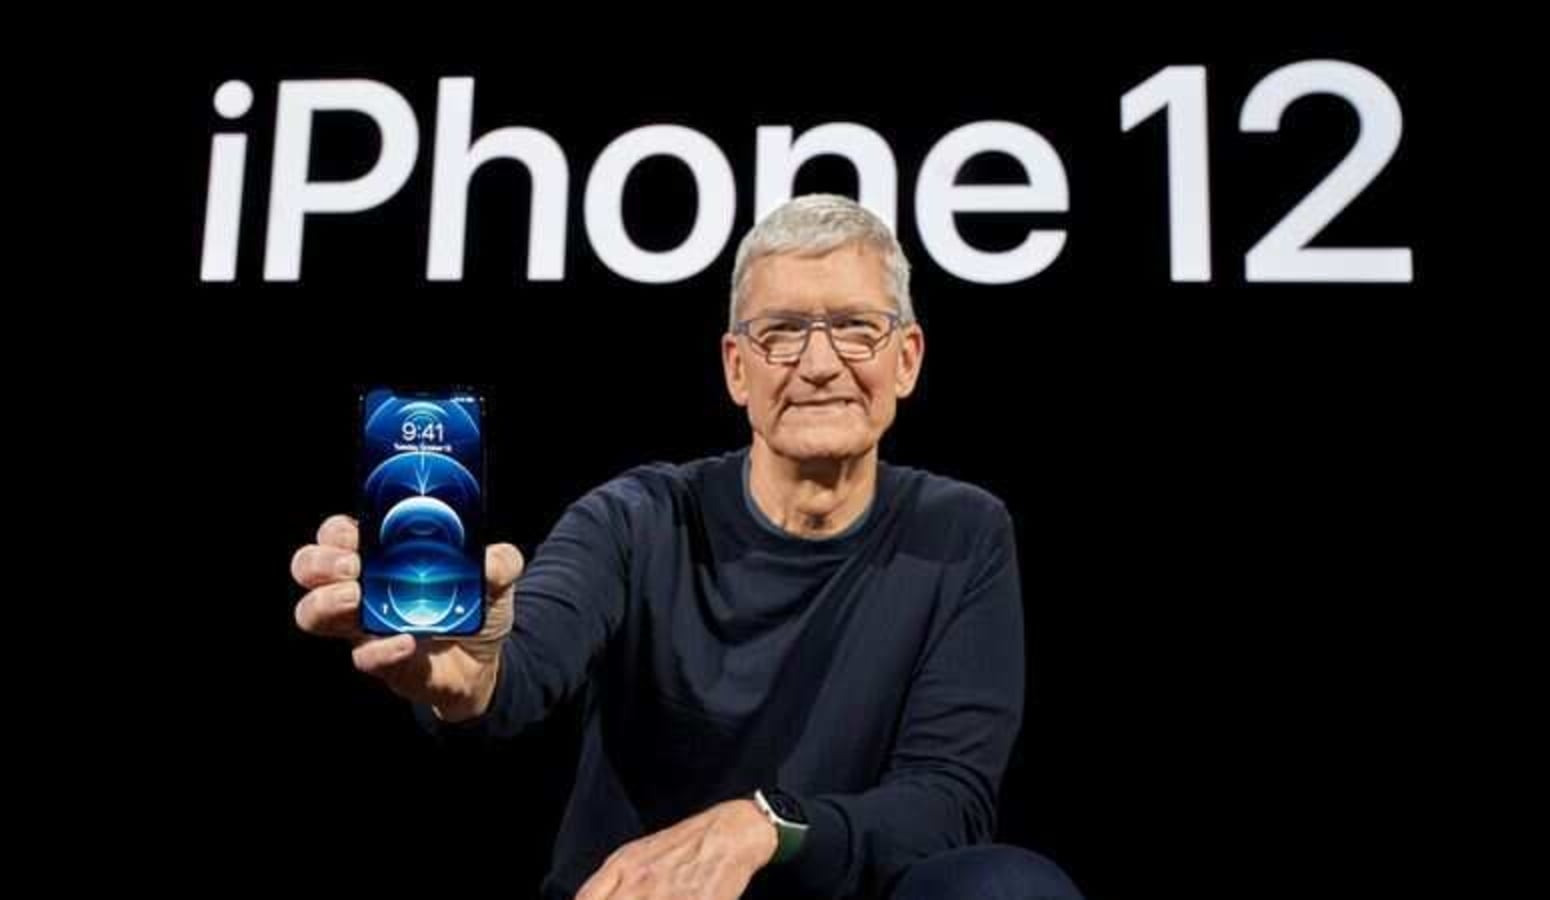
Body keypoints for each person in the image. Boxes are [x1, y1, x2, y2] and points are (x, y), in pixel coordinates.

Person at [291, 194, 1081, 900]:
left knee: (1005, 886)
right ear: (737, 368)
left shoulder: (963, 531)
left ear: (905, 358)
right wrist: (471, 674)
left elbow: (946, 803)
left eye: (853, 328)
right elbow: (524, 657)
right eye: (780, 334)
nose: (816, 364)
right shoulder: (639, 516)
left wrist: (762, 827)